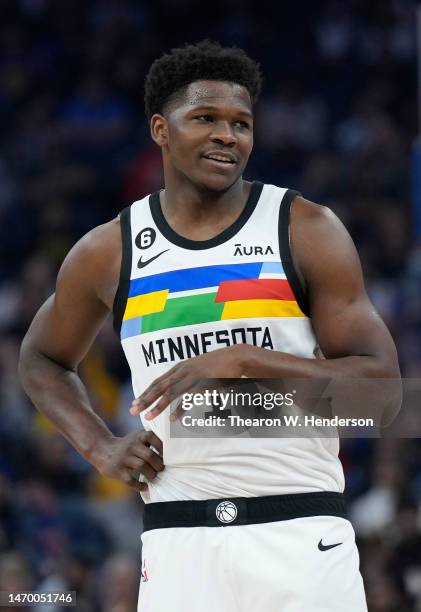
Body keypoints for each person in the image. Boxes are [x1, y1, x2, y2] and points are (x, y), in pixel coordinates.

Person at [19, 41, 401, 611]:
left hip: (298, 531)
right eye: (206, 118)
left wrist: (246, 360)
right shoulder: (110, 250)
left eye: (241, 123)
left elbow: (382, 400)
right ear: (160, 129)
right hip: (178, 543)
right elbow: (41, 359)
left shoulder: (304, 229)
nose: (229, 135)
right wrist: (99, 446)